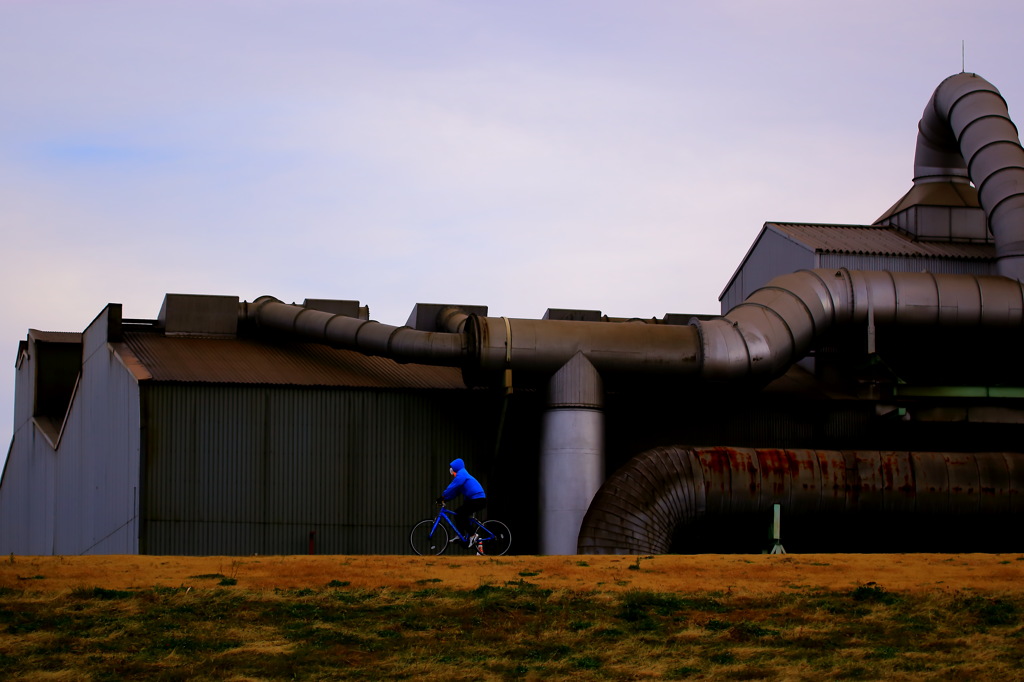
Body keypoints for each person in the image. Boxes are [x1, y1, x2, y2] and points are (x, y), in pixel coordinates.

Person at [435, 458, 487, 547]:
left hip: (477, 500)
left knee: (460, 514)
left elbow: (453, 487)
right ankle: (460, 535)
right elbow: (455, 493)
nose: (450, 470)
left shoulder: (461, 474)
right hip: (475, 500)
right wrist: (445, 499)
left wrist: (442, 496)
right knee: (458, 514)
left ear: (455, 467)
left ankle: (473, 535)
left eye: (451, 467)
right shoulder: (462, 475)